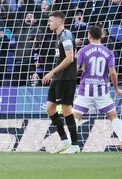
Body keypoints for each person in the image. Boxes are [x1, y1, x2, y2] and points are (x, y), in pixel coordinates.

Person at [73, 26, 122, 154]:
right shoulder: (108, 52)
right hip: (102, 90)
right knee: (113, 117)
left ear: (89, 35)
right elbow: (113, 73)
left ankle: (71, 144)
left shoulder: (83, 51)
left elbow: (75, 69)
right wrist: (116, 89)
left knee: (75, 117)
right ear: (101, 36)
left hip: (85, 90)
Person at [41, 11, 78, 154]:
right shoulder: (59, 36)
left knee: (67, 109)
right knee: (50, 108)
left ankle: (75, 145)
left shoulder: (66, 35)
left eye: (50, 21)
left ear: (58, 22)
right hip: (58, 78)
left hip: (65, 78)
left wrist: (52, 72)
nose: (49, 23)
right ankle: (64, 140)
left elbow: (70, 58)